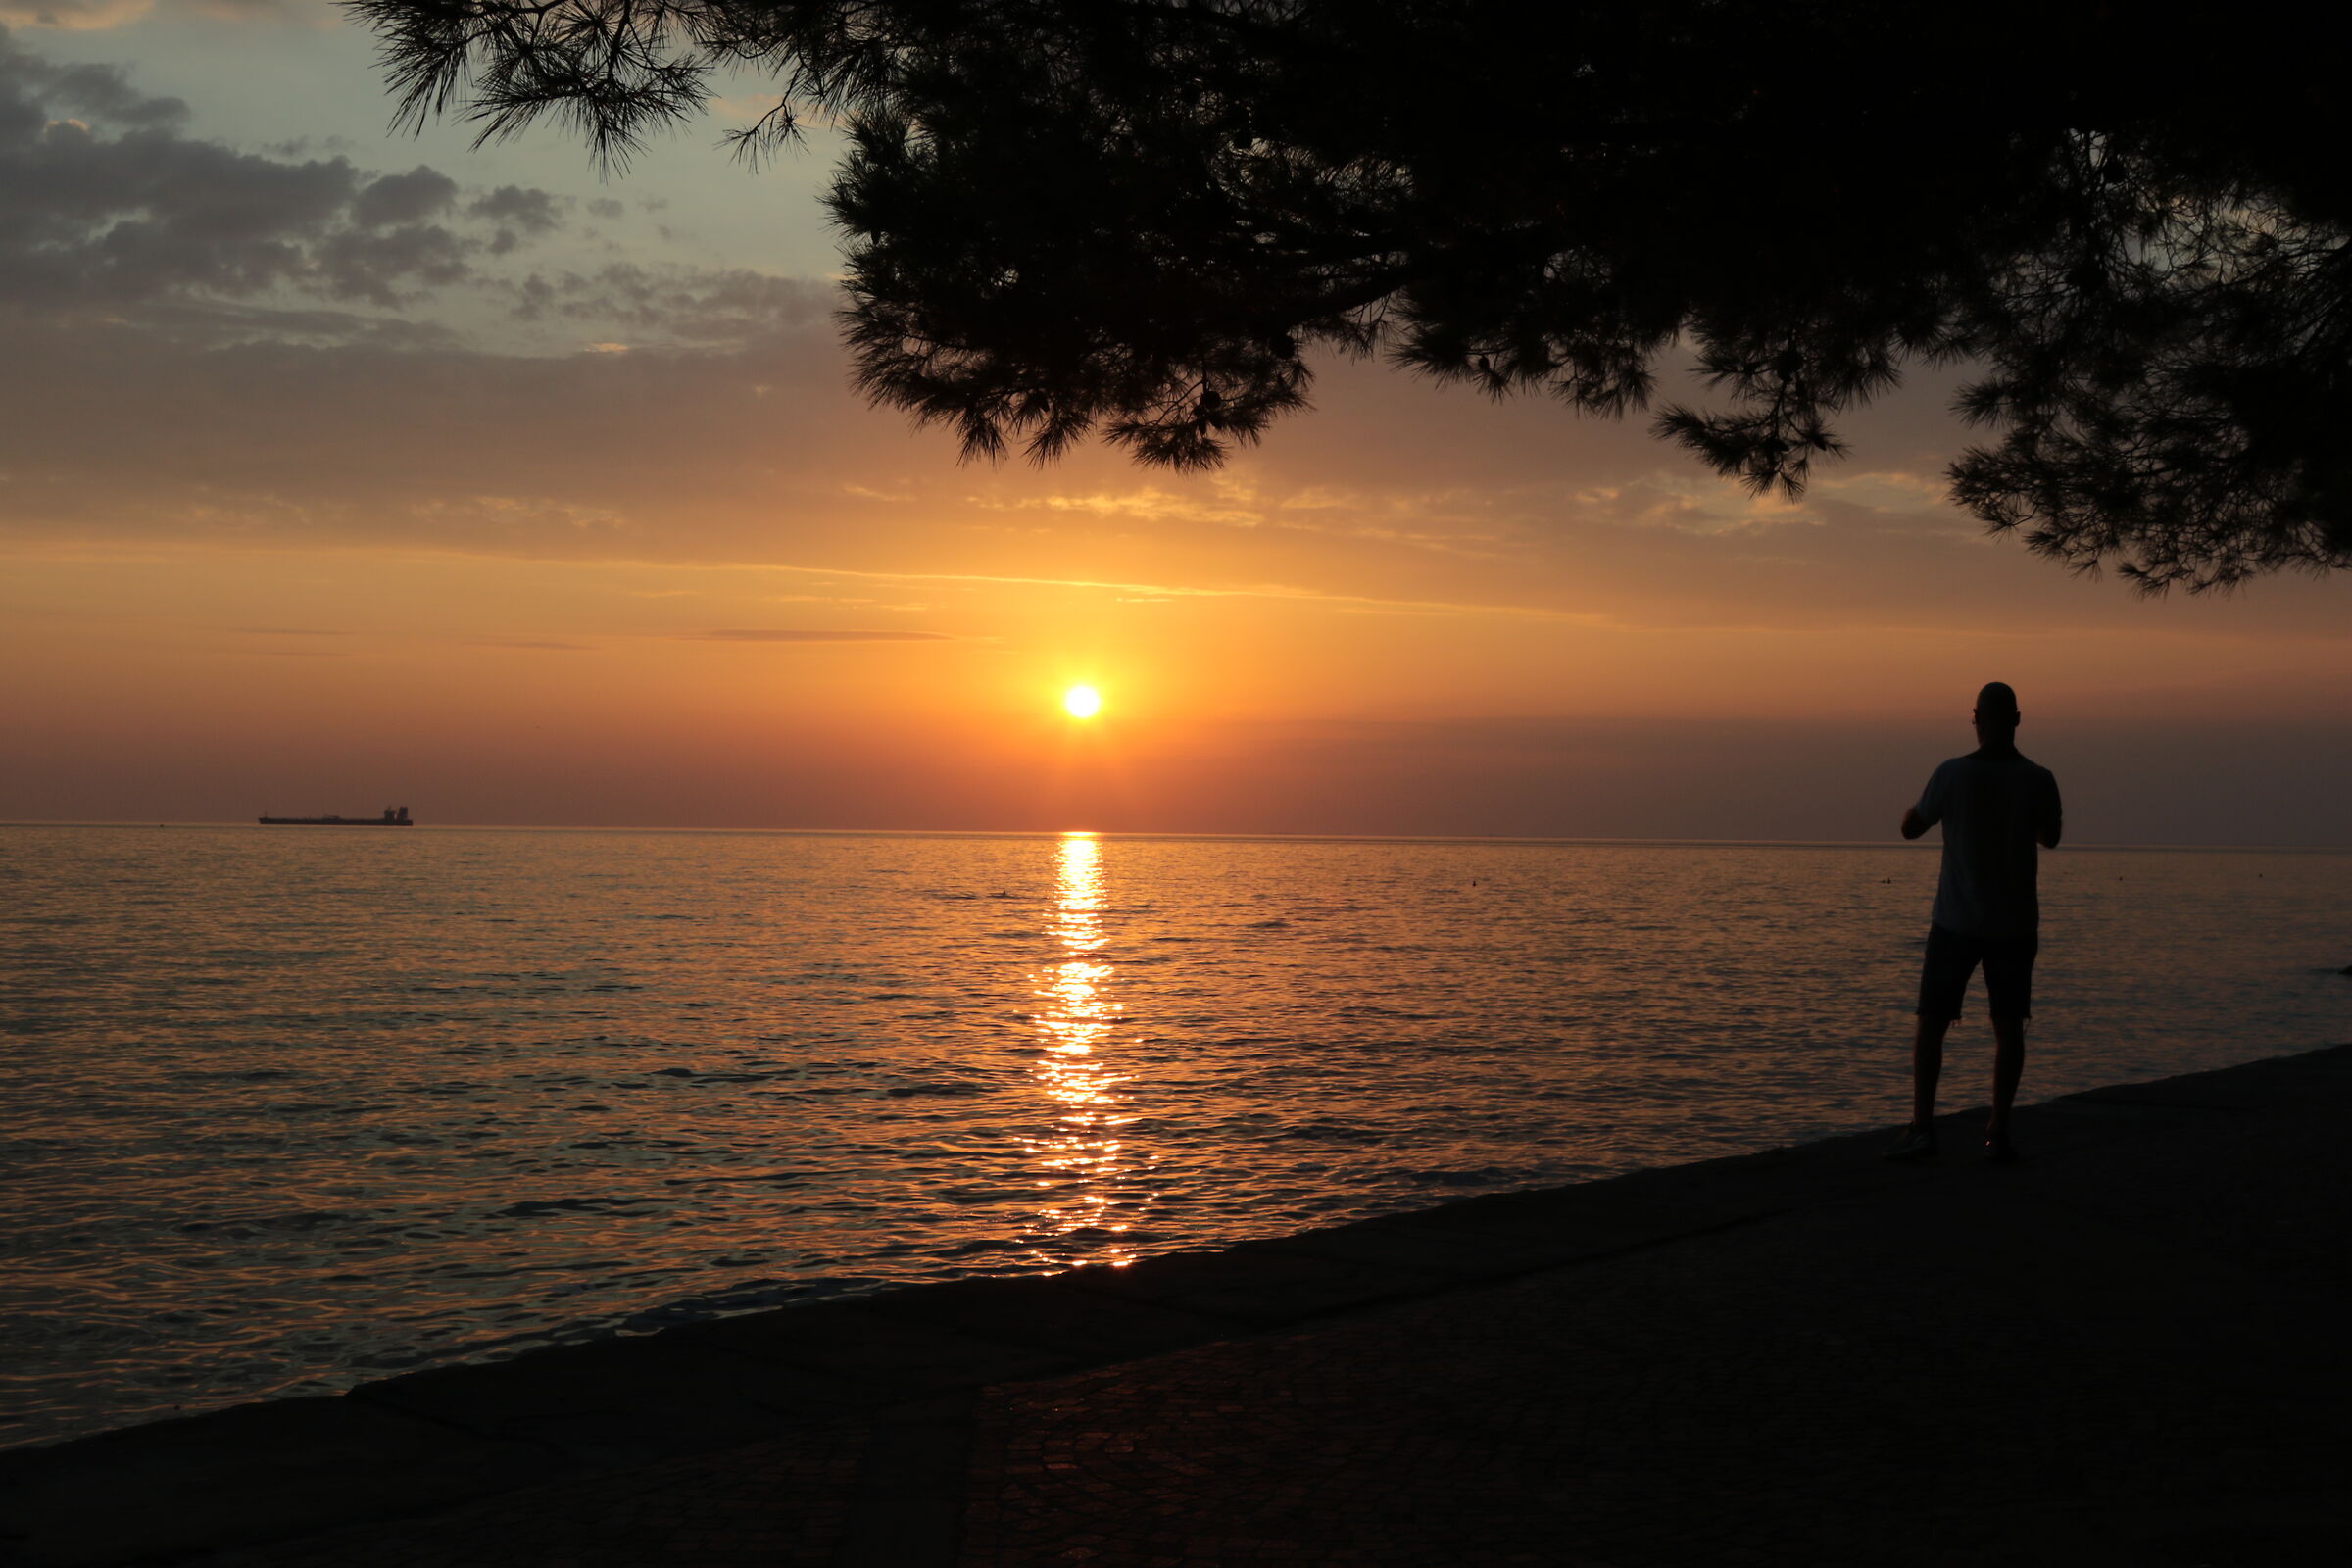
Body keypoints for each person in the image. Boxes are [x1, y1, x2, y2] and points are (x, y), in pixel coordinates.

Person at [1884, 682, 2063, 1164]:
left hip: (1956, 920)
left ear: (1974, 718)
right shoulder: (2039, 778)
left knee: (1932, 1023)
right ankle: (1998, 1131)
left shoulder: (1952, 775)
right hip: (2015, 922)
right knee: (2009, 1029)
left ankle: (1923, 1128)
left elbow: (1911, 827)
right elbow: (2052, 837)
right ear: (2018, 720)